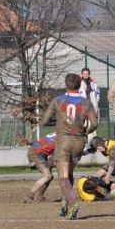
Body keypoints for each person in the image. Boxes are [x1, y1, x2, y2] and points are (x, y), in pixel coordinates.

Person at [39, 73, 98, 220]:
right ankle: (66, 200)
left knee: (63, 177)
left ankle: (72, 203)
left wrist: (59, 119)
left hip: (64, 141)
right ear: (80, 85)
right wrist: (86, 131)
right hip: (79, 141)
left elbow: (44, 121)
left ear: (66, 85)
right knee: (69, 174)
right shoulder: (86, 102)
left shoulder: (58, 100)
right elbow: (95, 123)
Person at [24, 132, 58, 203]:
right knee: (47, 176)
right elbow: (53, 157)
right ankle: (29, 196)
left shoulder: (58, 133)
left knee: (49, 176)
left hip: (36, 152)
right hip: (36, 153)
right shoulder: (62, 139)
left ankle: (39, 197)